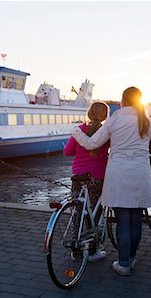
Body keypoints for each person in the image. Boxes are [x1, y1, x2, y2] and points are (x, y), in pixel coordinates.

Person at [71, 87, 151, 275]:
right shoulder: (145, 120)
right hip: (139, 174)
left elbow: (92, 144)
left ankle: (123, 264)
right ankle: (130, 259)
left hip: (118, 174)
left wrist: (76, 132)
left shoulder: (114, 119)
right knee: (136, 219)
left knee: (122, 220)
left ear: (123, 100)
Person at [64, 101, 110, 262]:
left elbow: (67, 151)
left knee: (77, 210)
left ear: (89, 113)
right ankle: (92, 250)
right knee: (94, 211)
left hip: (77, 176)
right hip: (97, 176)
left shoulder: (80, 130)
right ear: (105, 116)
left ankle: (75, 250)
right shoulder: (106, 132)